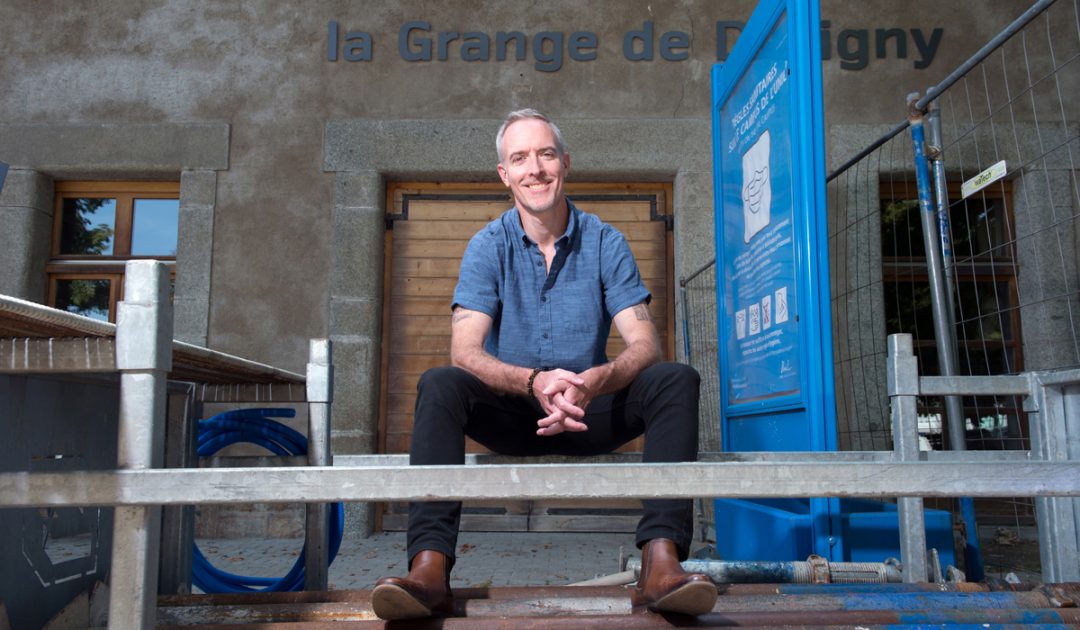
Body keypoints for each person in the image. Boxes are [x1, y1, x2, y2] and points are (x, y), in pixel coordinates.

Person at [371, 109, 713, 620]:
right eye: (520, 158)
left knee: (674, 379)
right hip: (513, 413)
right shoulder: (487, 246)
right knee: (440, 383)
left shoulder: (606, 241)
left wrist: (596, 380)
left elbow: (644, 344)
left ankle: (660, 564)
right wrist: (532, 381)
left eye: (546, 154)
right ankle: (430, 570)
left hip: (587, 410)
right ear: (504, 174)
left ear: (565, 164)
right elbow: (465, 351)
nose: (535, 168)